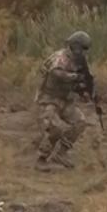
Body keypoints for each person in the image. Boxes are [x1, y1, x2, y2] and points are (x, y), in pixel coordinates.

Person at [35, 30, 97, 170]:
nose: (84, 52)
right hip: (49, 99)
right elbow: (55, 73)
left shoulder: (80, 62)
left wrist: (85, 91)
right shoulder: (60, 57)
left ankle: (61, 153)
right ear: (76, 46)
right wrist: (74, 77)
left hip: (66, 101)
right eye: (82, 48)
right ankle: (41, 158)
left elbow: (81, 82)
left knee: (80, 123)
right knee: (55, 128)